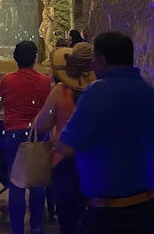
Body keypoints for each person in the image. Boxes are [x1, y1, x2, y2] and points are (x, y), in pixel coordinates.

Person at [58, 32, 154, 233]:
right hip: (151, 209)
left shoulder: (96, 93)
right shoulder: (152, 95)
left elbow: (65, 145)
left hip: (111, 214)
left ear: (101, 60)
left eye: (94, 60)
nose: (92, 66)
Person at [33, 42, 95, 234]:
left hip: (65, 161)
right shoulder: (100, 92)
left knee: (68, 220)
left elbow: (41, 124)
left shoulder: (61, 91)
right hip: (95, 162)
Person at [0, 41, 51, 234]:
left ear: (15, 58)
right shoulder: (43, 81)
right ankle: (36, 226)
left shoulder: (7, 80)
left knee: (16, 182)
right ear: (35, 58)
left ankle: (16, 228)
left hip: (13, 134)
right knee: (37, 182)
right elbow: (48, 108)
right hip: (36, 133)